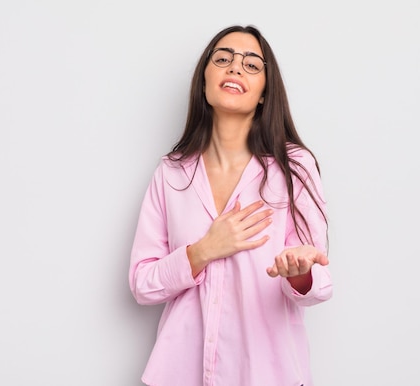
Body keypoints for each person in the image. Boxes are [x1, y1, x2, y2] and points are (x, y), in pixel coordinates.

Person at [128, 24, 332, 386]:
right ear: (204, 82)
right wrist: (203, 250)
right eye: (223, 59)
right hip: (178, 375)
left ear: (265, 93)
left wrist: (299, 272)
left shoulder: (294, 168)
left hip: (268, 375)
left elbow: (319, 285)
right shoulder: (171, 173)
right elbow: (142, 284)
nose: (235, 68)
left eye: (252, 65)